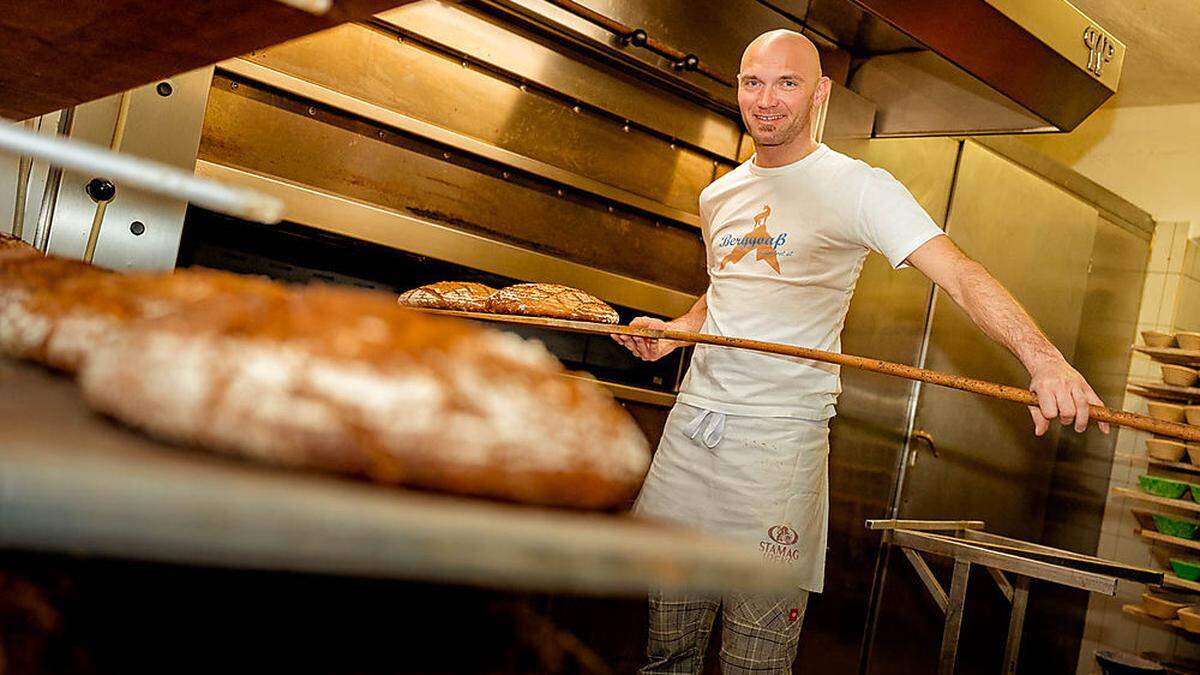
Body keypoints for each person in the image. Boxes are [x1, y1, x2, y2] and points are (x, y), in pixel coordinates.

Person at [612, 28, 1108, 675]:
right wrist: (678, 326)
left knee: (753, 665)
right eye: (752, 81)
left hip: (775, 450)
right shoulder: (718, 196)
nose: (766, 99)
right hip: (691, 434)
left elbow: (958, 272)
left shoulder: (857, 188)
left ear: (818, 94)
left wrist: (1043, 358)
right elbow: (727, 287)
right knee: (665, 655)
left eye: (787, 83)